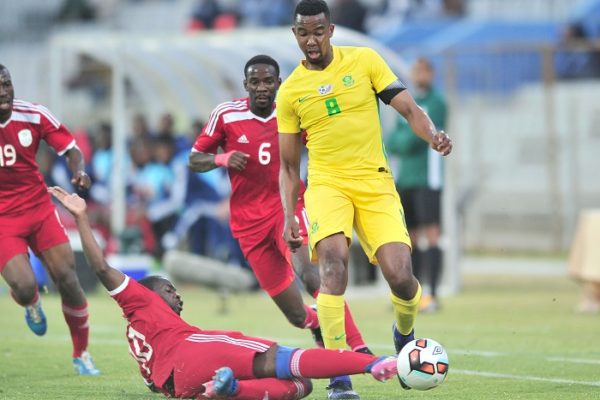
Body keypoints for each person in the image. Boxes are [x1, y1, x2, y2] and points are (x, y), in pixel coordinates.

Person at [49, 185, 399, 399]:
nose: (178, 297)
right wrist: (81, 217)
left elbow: (155, 386)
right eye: (170, 291)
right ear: (152, 294)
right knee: (287, 362)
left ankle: (230, 390)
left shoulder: (137, 334)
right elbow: (102, 269)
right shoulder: (138, 300)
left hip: (181, 384)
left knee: (300, 387)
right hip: (195, 350)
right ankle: (374, 363)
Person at [277, 0, 452, 389]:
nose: (311, 40)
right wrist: (290, 214)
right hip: (326, 185)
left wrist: (433, 136)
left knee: (401, 275)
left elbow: (409, 109)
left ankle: (404, 335)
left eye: (318, 31)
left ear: (331, 30)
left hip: (374, 182)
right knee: (333, 266)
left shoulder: (365, 61)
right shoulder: (290, 92)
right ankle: (338, 373)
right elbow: (289, 167)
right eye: (303, 32)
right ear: (295, 35)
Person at [189, 54, 372, 399]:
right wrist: (222, 158)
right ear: (246, 85)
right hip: (248, 225)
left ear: (278, 83)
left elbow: (326, 143)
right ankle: (320, 327)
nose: (261, 87)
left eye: (268, 81)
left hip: (288, 208)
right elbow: (194, 158)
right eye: (255, 82)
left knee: (312, 275)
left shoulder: (294, 111)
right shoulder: (226, 115)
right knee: (294, 314)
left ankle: (356, 351)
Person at [0, 64, 100, 375]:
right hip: (3, 218)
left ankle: (81, 354)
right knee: (25, 285)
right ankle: (30, 302)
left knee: (68, 280)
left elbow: (71, 149)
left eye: (6, 83)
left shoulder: (33, 114)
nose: (4, 91)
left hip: (38, 209)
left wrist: (78, 171)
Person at [386, 57, 448, 313]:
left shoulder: (437, 103)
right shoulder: (406, 102)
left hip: (428, 178)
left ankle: (432, 294)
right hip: (406, 178)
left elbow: (413, 140)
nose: (418, 75)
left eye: (423, 71)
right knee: (409, 238)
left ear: (431, 74)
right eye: (415, 70)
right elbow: (393, 141)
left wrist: (407, 137)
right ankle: (412, 294)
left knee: (431, 234)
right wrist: (406, 137)